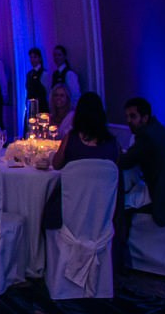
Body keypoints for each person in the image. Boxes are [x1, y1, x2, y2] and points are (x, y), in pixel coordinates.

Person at [115, 96, 165, 268]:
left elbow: (124, 162)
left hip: (164, 198)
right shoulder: (157, 129)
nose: (128, 121)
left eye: (133, 117)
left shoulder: (146, 137)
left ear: (145, 117)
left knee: (120, 204)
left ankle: (122, 257)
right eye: (127, 117)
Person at [42, 92, 120, 229]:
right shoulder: (113, 143)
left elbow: (56, 164)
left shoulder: (71, 139)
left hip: (72, 210)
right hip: (103, 211)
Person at [23, 47, 48, 115]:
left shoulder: (44, 74)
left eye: (35, 57)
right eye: (31, 57)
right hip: (31, 106)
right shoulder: (29, 74)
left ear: (40, 58)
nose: (32, 60)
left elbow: (47, 92)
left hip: (41, 106)